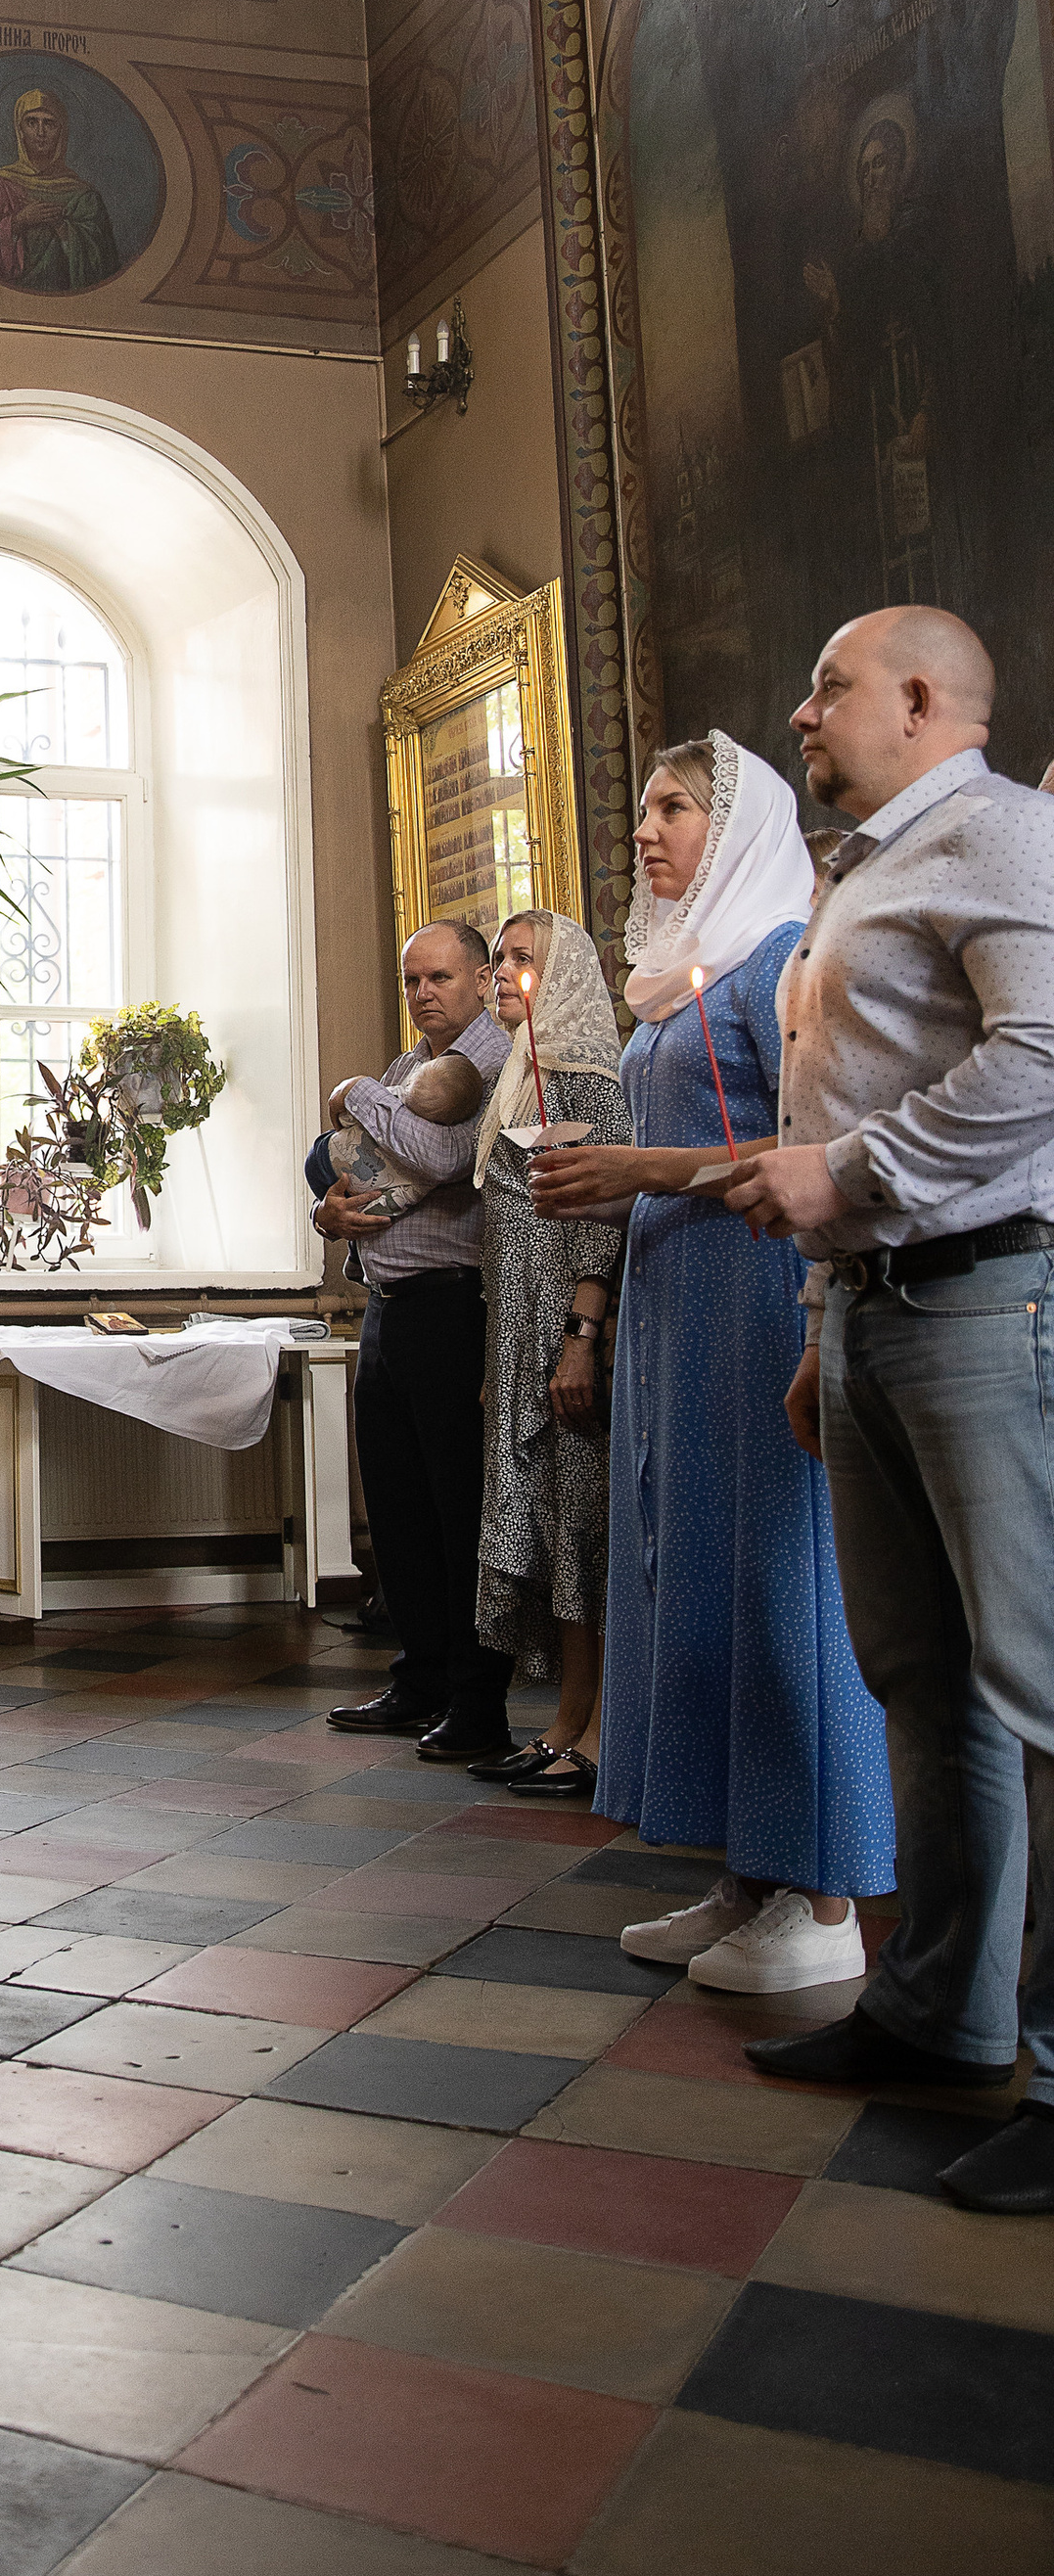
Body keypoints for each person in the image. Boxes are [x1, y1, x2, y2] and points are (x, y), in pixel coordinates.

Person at [720, 611, 1054, 2210]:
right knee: (923, 1680)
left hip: (994, 1300)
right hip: (874, 1309)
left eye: (829, 683)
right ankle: (940, 2011)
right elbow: (829, 1099)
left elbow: (1044, 1056)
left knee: (1043, 1698)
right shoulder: (866, 863)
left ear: (922, 699)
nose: (802, 707)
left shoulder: (998, 833)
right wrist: (819, 1316)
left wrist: (850, 1183)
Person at [535, 735, 893, 1992]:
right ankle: (745, 1869)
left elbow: (811, 1145)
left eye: (674, 808)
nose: (646, 831)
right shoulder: (684, 977)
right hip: (676, 1301)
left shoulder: (772, 965)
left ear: (736, 827)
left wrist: (634, 1171)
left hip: (754, 1292)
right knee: (696, 1581)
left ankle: (826, 1888)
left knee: (784, 1586)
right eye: (642, 811)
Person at [315, 924, 511, 1760]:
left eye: (439, 977)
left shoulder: (494, 1063)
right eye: (411, 982)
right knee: (396, 1505)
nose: (424, 993)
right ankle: (419, 1677)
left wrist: (356, 1090)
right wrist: (330, 1210)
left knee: (455, 1507)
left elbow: (434, 1156)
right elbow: (341, 1163)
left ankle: (476, 1701)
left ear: (479, 978)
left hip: (453, 1308)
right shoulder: (410, 1068)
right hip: (387, 1302)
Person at [468, 910, 630, 1800]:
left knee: (583, 1531)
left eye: (522, 961)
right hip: (521, 1328)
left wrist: (580, 1337)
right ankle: (564, 1720)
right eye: (497, 960)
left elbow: (601, 1222)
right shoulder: (517, 1082)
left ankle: (598, 1730)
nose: (503, 974)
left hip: (569, 1335)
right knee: (554, 1528)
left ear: (563, 976)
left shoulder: (582, 1080)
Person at [0, 89, 120, 296]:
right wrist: (19, 221)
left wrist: (62, 228)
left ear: (62, 132)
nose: (40, 132)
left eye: (49, 123)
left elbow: (103, 265)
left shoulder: (84, 196)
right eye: (31, 122)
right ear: (19, 130)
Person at [326, 1047, 484, 1214]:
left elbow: (446, 1160)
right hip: (328, 1162)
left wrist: (358, 1088)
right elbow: (396, 1201)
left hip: (334, 1170)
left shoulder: (496, 1063)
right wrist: (324, 1214)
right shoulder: (405, 1063)